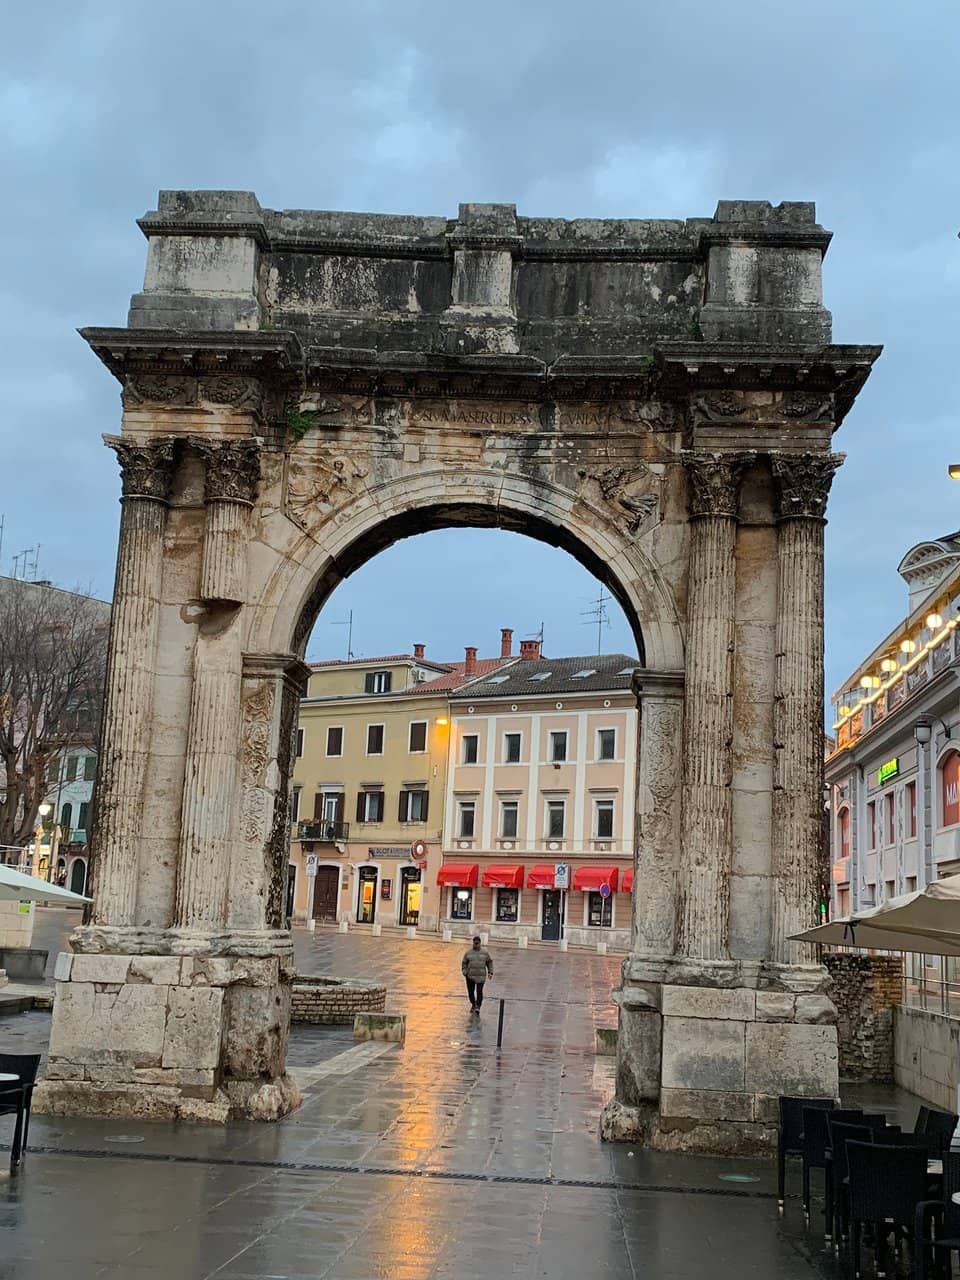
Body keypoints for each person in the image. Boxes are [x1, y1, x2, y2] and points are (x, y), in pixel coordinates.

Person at [461, 935, 493, 1013]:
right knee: (471, 992)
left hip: (481, 976)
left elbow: (489, 962)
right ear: (473, 943)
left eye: (477, 943)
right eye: (475, 943)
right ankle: (473, 1004)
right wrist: (464, 971)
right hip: (470, 976)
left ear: (480, 943)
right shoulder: (468, 953)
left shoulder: (485, 953)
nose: (476, 945)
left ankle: (478, 1006)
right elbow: (464, 963)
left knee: (479, 991)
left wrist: (490, 972)